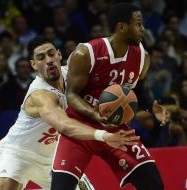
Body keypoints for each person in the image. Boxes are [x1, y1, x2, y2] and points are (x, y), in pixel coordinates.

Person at [0, 36, 140, 190]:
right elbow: (64, 125)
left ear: (59, 55)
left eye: (51, 54)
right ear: (33, 64)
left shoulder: (73, 75)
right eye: (41, 58)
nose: (48, 60)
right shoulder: (40, 94)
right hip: (19, 154)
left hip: (54, 157)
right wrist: (103, 135)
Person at [51, 3, 168, 190]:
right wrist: (96, 115)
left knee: (154, 184)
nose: (143, 29)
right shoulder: (86, 53)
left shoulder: (142, 57)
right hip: (80, 127)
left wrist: (152, 105)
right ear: (122, 27)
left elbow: (140, 87)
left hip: (116, 129)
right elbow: (71, 95)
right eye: (138, 24)